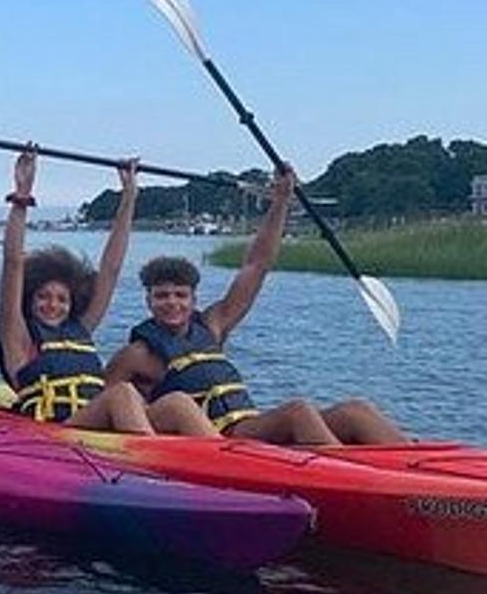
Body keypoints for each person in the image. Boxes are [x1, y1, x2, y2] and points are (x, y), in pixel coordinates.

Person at [103, 165, 405, 446]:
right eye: (162, 296)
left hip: (251, 428)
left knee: (356, 410)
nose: (172, 303)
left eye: (180, 295)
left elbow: (256, 266)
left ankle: (425, 467)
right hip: (216, 442)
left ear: (194, 299)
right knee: (298, 410)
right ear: (148, 301)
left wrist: (281, 201)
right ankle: (352, 479)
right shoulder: (135, 355)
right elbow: (110, 407)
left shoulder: (212, 326)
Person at [0, 150, 164, 434]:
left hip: (96, 429)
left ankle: (220, 461)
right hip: (56, 433)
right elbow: (12, 265)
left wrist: (129, 196)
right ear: (30, 300)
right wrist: (22, 195)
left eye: (62, 299)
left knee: (176, 403)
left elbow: (110, 269)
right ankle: (153, 466)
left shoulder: (81, 328)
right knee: (122, 392)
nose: (53, 305)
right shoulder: (19, 338)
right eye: (43, 297)